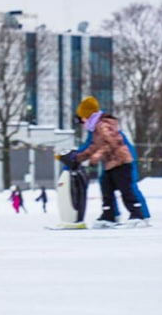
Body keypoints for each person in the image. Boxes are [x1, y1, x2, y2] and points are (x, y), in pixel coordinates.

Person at [63, 98, 148, 228]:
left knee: (126, 189)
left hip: (121, 162)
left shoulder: (103, 125)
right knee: (106, 188)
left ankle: (138, 214)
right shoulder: (95, 129)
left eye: (82, 118)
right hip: (110, 164)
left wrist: (96, 156)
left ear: (88, 116)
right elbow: (92, 147)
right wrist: (77, 157)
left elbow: (111, 143)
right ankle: (109, 215)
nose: (81, 122)